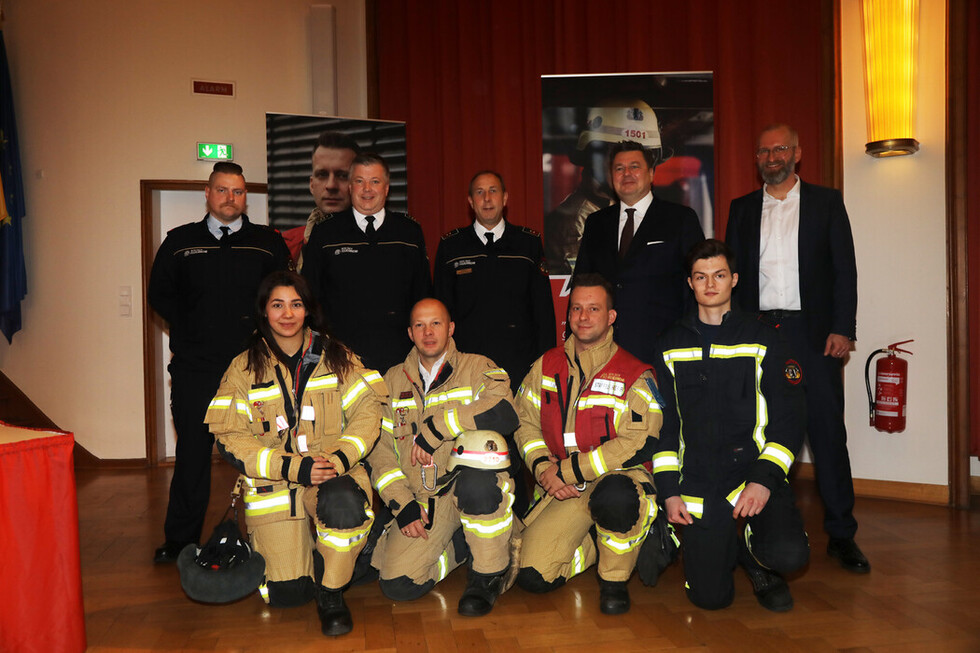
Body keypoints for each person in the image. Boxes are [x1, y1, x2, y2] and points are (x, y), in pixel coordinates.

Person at [204, 271, 385, 636]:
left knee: (343, 508)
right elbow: (229, 437)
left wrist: (337, 460)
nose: (287, 314)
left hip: (331, 473)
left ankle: (332, 594)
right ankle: (345, 555)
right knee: (288, 595)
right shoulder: (242, 368)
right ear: (264, 311)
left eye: (296, 304)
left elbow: (369, 413)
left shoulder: (338, 356)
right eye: (277, 305)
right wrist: (291, 467)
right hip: (276, 485)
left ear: (308, 310)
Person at [725, 123, 867, 573]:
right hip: (759, 332)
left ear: (797, 153)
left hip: (815, 335)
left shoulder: (827, 202)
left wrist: (843, 329)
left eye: (780, 148)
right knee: (756, 430)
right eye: (764, 151)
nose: (772, 157)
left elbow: (845, 271)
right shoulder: (742, 209)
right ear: (757, 159)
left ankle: (842, 534)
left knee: (827, 431)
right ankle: (758, 523)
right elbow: (733, 278)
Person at [653, 239, 809, 612]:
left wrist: (763, 479)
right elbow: (665, 426)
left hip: (750, 474)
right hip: (699, 482)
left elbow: (789, 421)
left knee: (788, 554)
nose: (710, 284)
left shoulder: (764, 339)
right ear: (690, 283)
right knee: (710, 599)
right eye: (701, 276)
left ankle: (759, 561)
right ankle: (729, 547)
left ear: (734, 280)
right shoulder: (669, 345)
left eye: (719, 275)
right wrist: (669, 492)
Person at [148, 162, 290, 563]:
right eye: (223, 191)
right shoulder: (180, 241)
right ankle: (180, 541)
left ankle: (275, 538)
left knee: (268, 451)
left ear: (247, 197)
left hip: (256, 368)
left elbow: (283, 296)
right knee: (193, 454)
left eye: (239, 192)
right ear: (208, 194)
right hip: (197, 367)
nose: (231, 198)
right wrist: (191, 325)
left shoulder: (266, 243)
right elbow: (160, 294)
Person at [514, 273, 665, 615]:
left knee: (615, 497)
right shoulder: (546, 366)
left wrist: (567, 471)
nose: (583, 317)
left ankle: (613, 581)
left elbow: (638, 442)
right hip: (565, 486)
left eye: (594, 309)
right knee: (532, 576)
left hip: (619, 481)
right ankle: (597, 543)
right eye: (577, 308)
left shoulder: (634, 373)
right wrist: (542, 468)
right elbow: (524, 421)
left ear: (611, 317)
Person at [366, 298, 520, 616]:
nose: (428, 332)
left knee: (477, 486)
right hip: (423, 501)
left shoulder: (478, 367)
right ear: (410, 333)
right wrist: (401, 504)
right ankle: (461, 546)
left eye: (436, 323)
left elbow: (506, 413)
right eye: (420, 325)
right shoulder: (391, 382)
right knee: (397, 584)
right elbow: (379, 453)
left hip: (468, 487)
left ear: (450, 328)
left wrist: (438, 426)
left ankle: (487, 575)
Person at [573, 140, 704, 365]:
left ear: (651, 173)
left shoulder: (680, 219)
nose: (627, 174)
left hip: (662, 348)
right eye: (619, 168)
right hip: (604, 350)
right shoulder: (596, 223)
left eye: (635, 167)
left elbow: (695, 285)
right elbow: (582, 283)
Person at [301, 152, 431, 375]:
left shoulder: (409, 232)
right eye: (360, 181)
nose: (367, 189)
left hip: (400, 360)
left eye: (375, 182)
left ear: (387, 188)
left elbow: (423, 296)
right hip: (340, 360)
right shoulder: (325, 233)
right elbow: (308, 297)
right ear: (350, 187)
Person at [434, 170, 555, 394]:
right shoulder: (452, 247)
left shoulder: (528, 243)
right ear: (471, 202)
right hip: (467, 366)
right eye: (479, 192)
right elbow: (441, 312)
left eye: (493, 191)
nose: (487, 198)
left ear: (505, 198)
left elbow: (543, 312)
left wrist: (543, 364)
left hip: (519, 364)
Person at [281, 131, 361, 267]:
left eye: (342, 175)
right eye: (322, 174)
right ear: (312, 184)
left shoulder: (381, 242)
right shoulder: (286, 245)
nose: (331, 185)